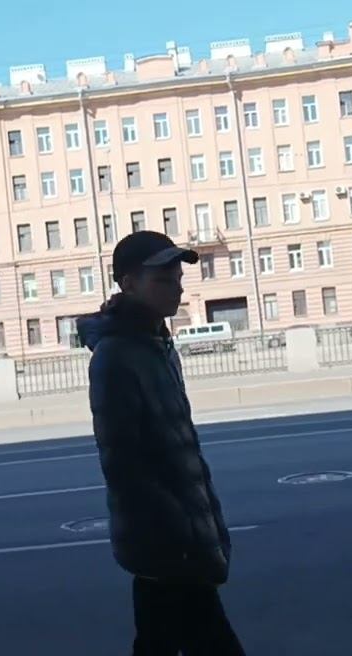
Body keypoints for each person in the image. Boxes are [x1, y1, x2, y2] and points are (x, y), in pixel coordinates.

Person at [78, 230, 246, 656]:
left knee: (160, 641)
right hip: (166, 541)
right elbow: (122, 462)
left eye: (178, 279)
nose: (177, 289)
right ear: (128, 283)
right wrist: (180, 528)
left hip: (178, 538)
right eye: (163, 280)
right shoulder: (117, 356)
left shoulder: (157, 343)